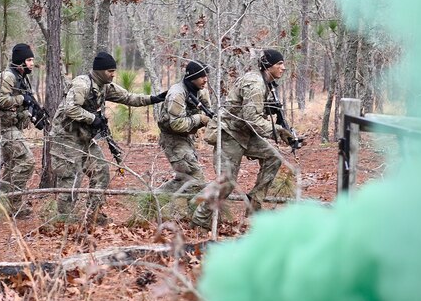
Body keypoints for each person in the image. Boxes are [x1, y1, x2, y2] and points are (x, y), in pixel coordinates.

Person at [50, 51, 166, 224]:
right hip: (66, 137)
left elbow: (128, 97)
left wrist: (155, 99)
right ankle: (64, 219)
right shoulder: (82, 84)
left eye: (114, 71)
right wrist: (93, 119)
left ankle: (93, 214)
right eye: (109, 71)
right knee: (71, 177)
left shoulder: (105, 86)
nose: (113, 74)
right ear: (99, 71)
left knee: (101, 172)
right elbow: (70, 109)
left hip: (85, 138)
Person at [190, 48, 300, 229]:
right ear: (268, 65)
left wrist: (283, 129)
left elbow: (253, 118)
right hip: (229, 133)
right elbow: (252, 119)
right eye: (279, 64)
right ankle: (199, 220)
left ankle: (254, 205)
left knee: (273, 157)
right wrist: (278, 131)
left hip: (245, 133)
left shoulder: (267, 84)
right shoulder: (255, 84)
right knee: (226, 182)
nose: (284, 68)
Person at [0, 43, 47, 217]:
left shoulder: (22, 77)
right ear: (20, 61)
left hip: (13, 126)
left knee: (13, 166)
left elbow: (25, 101)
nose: (31, 63)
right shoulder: (7, 76)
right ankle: (13, 206)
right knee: (26, 162)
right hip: (4, 127)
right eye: (29, 60)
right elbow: (0, 101)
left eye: (32, 60)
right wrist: (22, 99)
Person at [155, 60, 214, 196]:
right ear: (192, 77)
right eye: (202, 76)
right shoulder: (177, 94)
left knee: (186, 179)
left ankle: (156, 199)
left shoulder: (201, 91)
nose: (205, 80)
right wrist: (199, 119)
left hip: (187, 138)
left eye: (206, 76)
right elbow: (176, 124)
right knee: (195, 179)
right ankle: (156, 198)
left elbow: (209, 112)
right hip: (172, 139)